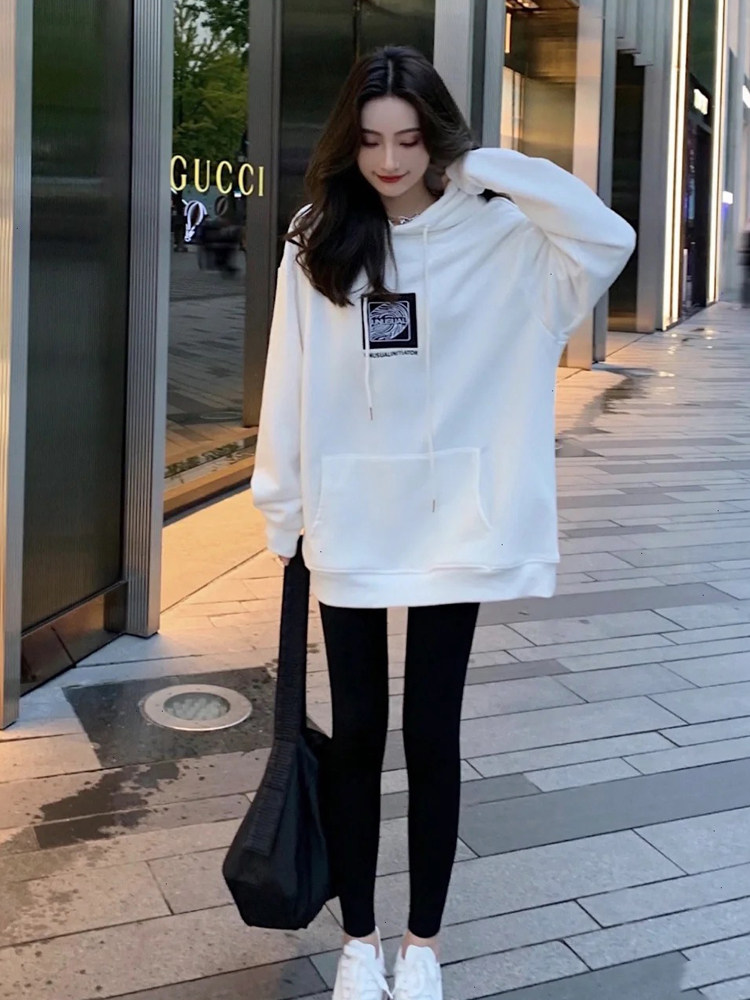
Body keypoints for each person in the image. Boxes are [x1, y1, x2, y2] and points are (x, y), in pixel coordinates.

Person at [252, 46, 635, 1000]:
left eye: (412, 141)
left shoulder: (503, 238)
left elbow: (607, 236)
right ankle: (359, 940)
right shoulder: (318, 237)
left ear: (440, 141)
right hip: (349, 520)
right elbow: (287, 376)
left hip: (455, 524)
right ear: (348, 142)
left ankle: (422, 943)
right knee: (357, 734)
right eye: (371, 140)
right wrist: (283, 508)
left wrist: (483, 166)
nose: (389, 162)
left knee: (431, 733)